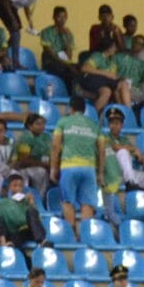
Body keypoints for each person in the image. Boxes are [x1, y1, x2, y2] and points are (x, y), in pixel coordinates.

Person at [50, 93, 104, 225]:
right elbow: (102, 151)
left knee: (67, 202)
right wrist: (100, 173)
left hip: (69, 167)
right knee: (88, 204)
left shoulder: (63, 122)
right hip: (89, 169)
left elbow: (55, 147)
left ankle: (71, 233)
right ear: (84, 109)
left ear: (71, 108)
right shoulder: (94, 125)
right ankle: (85, 233)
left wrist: (53, 168)